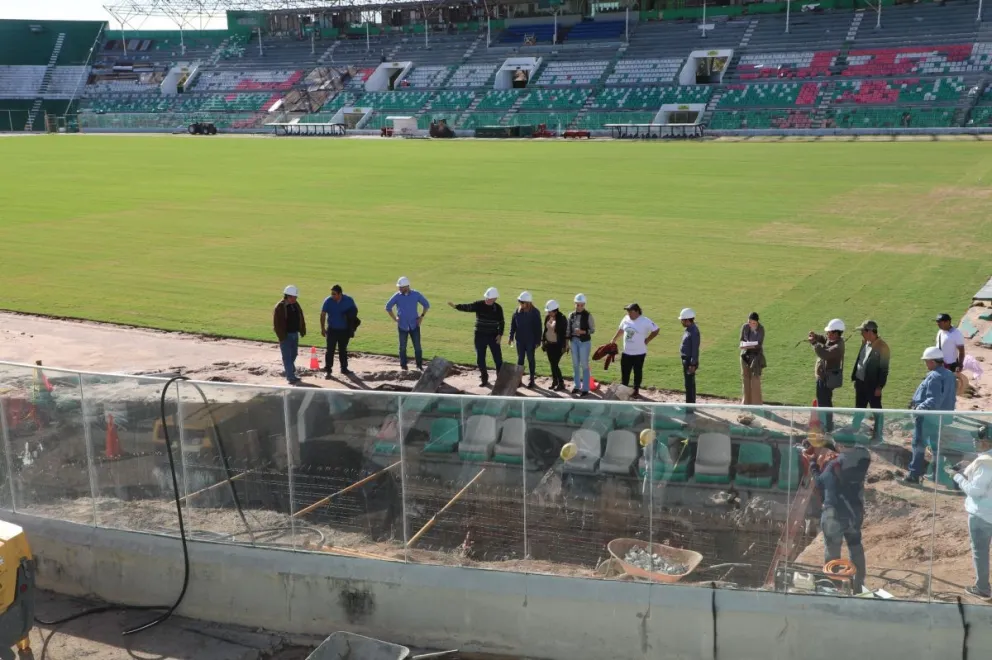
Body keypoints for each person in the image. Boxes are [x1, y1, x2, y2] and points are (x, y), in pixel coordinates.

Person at [806, 436, 870, 594]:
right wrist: (840, 455)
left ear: (840, 445)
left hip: (834, 513)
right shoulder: (863, 460)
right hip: (854, 512)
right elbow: (856, 453)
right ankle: (858, 586)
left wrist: (813, 462)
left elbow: (820, 483)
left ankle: (833, 587)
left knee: (832, 550)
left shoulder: (833, 465)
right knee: (855, 547)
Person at [945, 436, 992, 600]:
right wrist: (969, 466)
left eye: (980, 439)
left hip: (983, 515)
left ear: (989, 442)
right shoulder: (984, 460)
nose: (975, 441)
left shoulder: (985, 465)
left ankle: (983, 589)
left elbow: (975, 491)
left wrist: (956, 476)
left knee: (980, 552)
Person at [905, 346, 952, 484]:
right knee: (936, 445)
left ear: (932, 361)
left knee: (918, 444)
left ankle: (914, 475)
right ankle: (937, 473)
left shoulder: (935, 376)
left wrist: (919, 408)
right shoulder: (948, 374)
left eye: (926, 361)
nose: (926, 363)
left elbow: (933, 400)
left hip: (928, 418)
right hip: (941, 418)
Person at [449, 287, 504, 387]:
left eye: (489, 298)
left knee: (498, 359)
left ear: (495, 298)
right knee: (480, 359)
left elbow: (501, 322)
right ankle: (484, 378)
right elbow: (468, 307)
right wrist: (456, 307)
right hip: (479, 336)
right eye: (487, 297)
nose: (487, 299)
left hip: (493, 336)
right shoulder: (479, 304)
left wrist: (500, 334)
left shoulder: (498, 308)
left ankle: (500, 380)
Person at [850, 320, 890, 441]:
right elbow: (860, 361)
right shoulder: (865, 343)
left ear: (870, 331)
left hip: (873, 386)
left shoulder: (883, 347)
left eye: (862, 331)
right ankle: (854, 430)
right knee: (859, 407)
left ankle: (877, 435)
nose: (861, 333)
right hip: (861, 383)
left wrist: (879, 387)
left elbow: (884, 369)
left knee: (876, 409)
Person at [610, 303, 659, 398]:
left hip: (639, 353)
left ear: (637, 311)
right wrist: (614, 339)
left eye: (630, 311)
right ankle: (624, 388)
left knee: (637, 372)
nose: (628, 313)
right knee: (625, 372)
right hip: (626, 352)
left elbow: (656, 330)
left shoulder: (645, 321)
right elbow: (621, 329)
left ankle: (636, 390)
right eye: (627, 311)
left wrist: (648, 339)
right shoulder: (625, 319)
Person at [808, 319, 846, 433]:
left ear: (836, 333)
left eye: (829, 332)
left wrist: (814, 343)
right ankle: (826, 424)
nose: (827, 334)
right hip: (824, 377)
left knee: (824, 403)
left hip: (826, 379)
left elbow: (825, 354)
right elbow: (824, 340)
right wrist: (816, 337)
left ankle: (826, 426)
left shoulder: (838, 347)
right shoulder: (834, 340)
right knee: (823, 401)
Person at [385, 276, 430, 372]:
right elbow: (388, 307)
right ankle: (403, 366)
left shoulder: (416, 294)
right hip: (402, 326)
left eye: (401, 287)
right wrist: (395, 318)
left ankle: (419, 366)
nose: (399, 289)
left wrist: (421, 317)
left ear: (407, 286)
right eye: (399, 287)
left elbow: (426, 305)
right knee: (402, 347)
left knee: (417, 347)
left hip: (415, 325)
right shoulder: (397, 296)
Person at [320, 284, 358, 378]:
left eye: (334, 294)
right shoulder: (328, 301)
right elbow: (323, 314)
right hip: (332, 330)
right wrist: (322, 328)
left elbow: (354, 311)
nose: (332, 295)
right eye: (332, 293)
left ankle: (344, 368)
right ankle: (328, 369)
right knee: (330, 350)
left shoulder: (349, 300)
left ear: (340, 294)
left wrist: (351, 324)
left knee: (343, 350)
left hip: (344, 330)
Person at [273, 285, 306, 385]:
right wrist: (282, 337)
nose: (295, 298)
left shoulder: (295, 304)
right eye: (294, 297)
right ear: (288, 296)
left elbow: (301, 317)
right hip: (285, 335)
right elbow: (277, 324)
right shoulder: (280, 307)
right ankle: (290, 377)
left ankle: (290, 370)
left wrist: (302, 329)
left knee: (294, 354)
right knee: (287, 357)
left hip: (294, 334)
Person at [509, 291, 542, 389]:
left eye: (522, 302)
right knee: (520, 359)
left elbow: (538, 328)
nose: (520, 304)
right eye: (520, 302)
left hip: (530, 341)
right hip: (520, 340)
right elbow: (513, 325)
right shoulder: (517, 311)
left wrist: (537, 341)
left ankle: (532, 380)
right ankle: (518, 380)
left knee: (531, 359)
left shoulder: (535, 312)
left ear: (528, 303)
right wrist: (511, 336)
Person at [568, 294, 596, 396]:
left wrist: (583, 332)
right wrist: (567, 342)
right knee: (575, 364)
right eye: (577, 305)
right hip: (574, 341)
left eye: (581, 305)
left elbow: (592, 330)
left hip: (584, 342)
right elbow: (568, 330)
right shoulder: (571, 315)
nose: (579, 307)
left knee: (584, 365)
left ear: (584, 305)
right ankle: (576, 385)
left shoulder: (588, 315)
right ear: (575, 304)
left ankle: (585, 388)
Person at [739, 312, 765, 406]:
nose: (750, 324)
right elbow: (741, 340)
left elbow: (759, 344)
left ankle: (756, 404)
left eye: (752, 322)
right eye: (749, 322)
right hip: (745, 356)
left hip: (755, 358)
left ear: (757, 322)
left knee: (755, 379)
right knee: (745, 379)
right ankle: (746, 402)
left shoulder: (761, 329)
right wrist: (744, 345)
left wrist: (749, 345)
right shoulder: (745, 327)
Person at [542, 299, 568, 392]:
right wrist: (543, 341)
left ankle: (561, 382)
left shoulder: (562, 318)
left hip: (558, 345)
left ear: (555, 310)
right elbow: (545, 330)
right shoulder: (547, 317)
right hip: (549, 344)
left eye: (550, 311)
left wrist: (565, 346)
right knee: (552, 364)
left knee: (555, 364)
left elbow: (564, 333)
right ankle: (555, 381)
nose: (548, 313)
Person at [679, 308, 700, 405]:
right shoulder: (689, 329)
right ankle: (690, 404)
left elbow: (695, 349)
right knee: (688, 384)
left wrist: (693, 364)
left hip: (689, 361)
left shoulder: (694, 331)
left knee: (689, 384)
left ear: (687, 320)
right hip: (686, 360)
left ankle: (690, 406)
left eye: (682, 320)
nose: (681, 322)